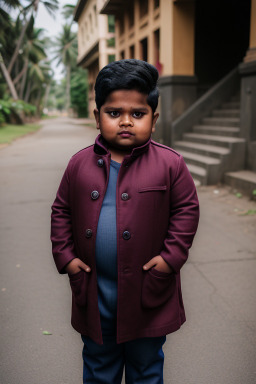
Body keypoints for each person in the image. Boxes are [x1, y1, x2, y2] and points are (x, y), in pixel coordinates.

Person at [51, 59, 200, 384]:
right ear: (97, 116)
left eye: (138, 113)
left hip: (148, 292)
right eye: (114, 113)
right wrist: (67, 258)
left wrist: (169, 259)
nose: (126, 122)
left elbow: (186, 211)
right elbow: (60, 210)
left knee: (146, 369)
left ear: (154, 118)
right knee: (98, 368)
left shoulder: (170, 164)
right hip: (95, 294)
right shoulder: (78, 164)